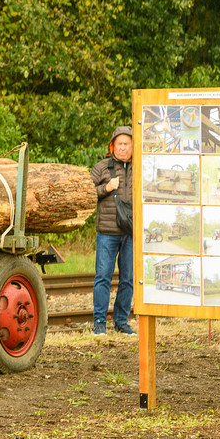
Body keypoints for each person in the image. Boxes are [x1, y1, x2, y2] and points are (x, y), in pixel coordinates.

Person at [90, 125, 136, 335]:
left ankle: (121, 321)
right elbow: (86, 194)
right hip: (107, 233)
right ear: (113, 146)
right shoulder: (101, 168)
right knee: (103, 277)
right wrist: (105, 188)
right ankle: (99, 322)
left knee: (128, 279)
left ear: (134, 146)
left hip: (131, 233)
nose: (124, 148)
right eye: (120, 144)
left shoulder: (142, 168)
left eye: (127, 144)